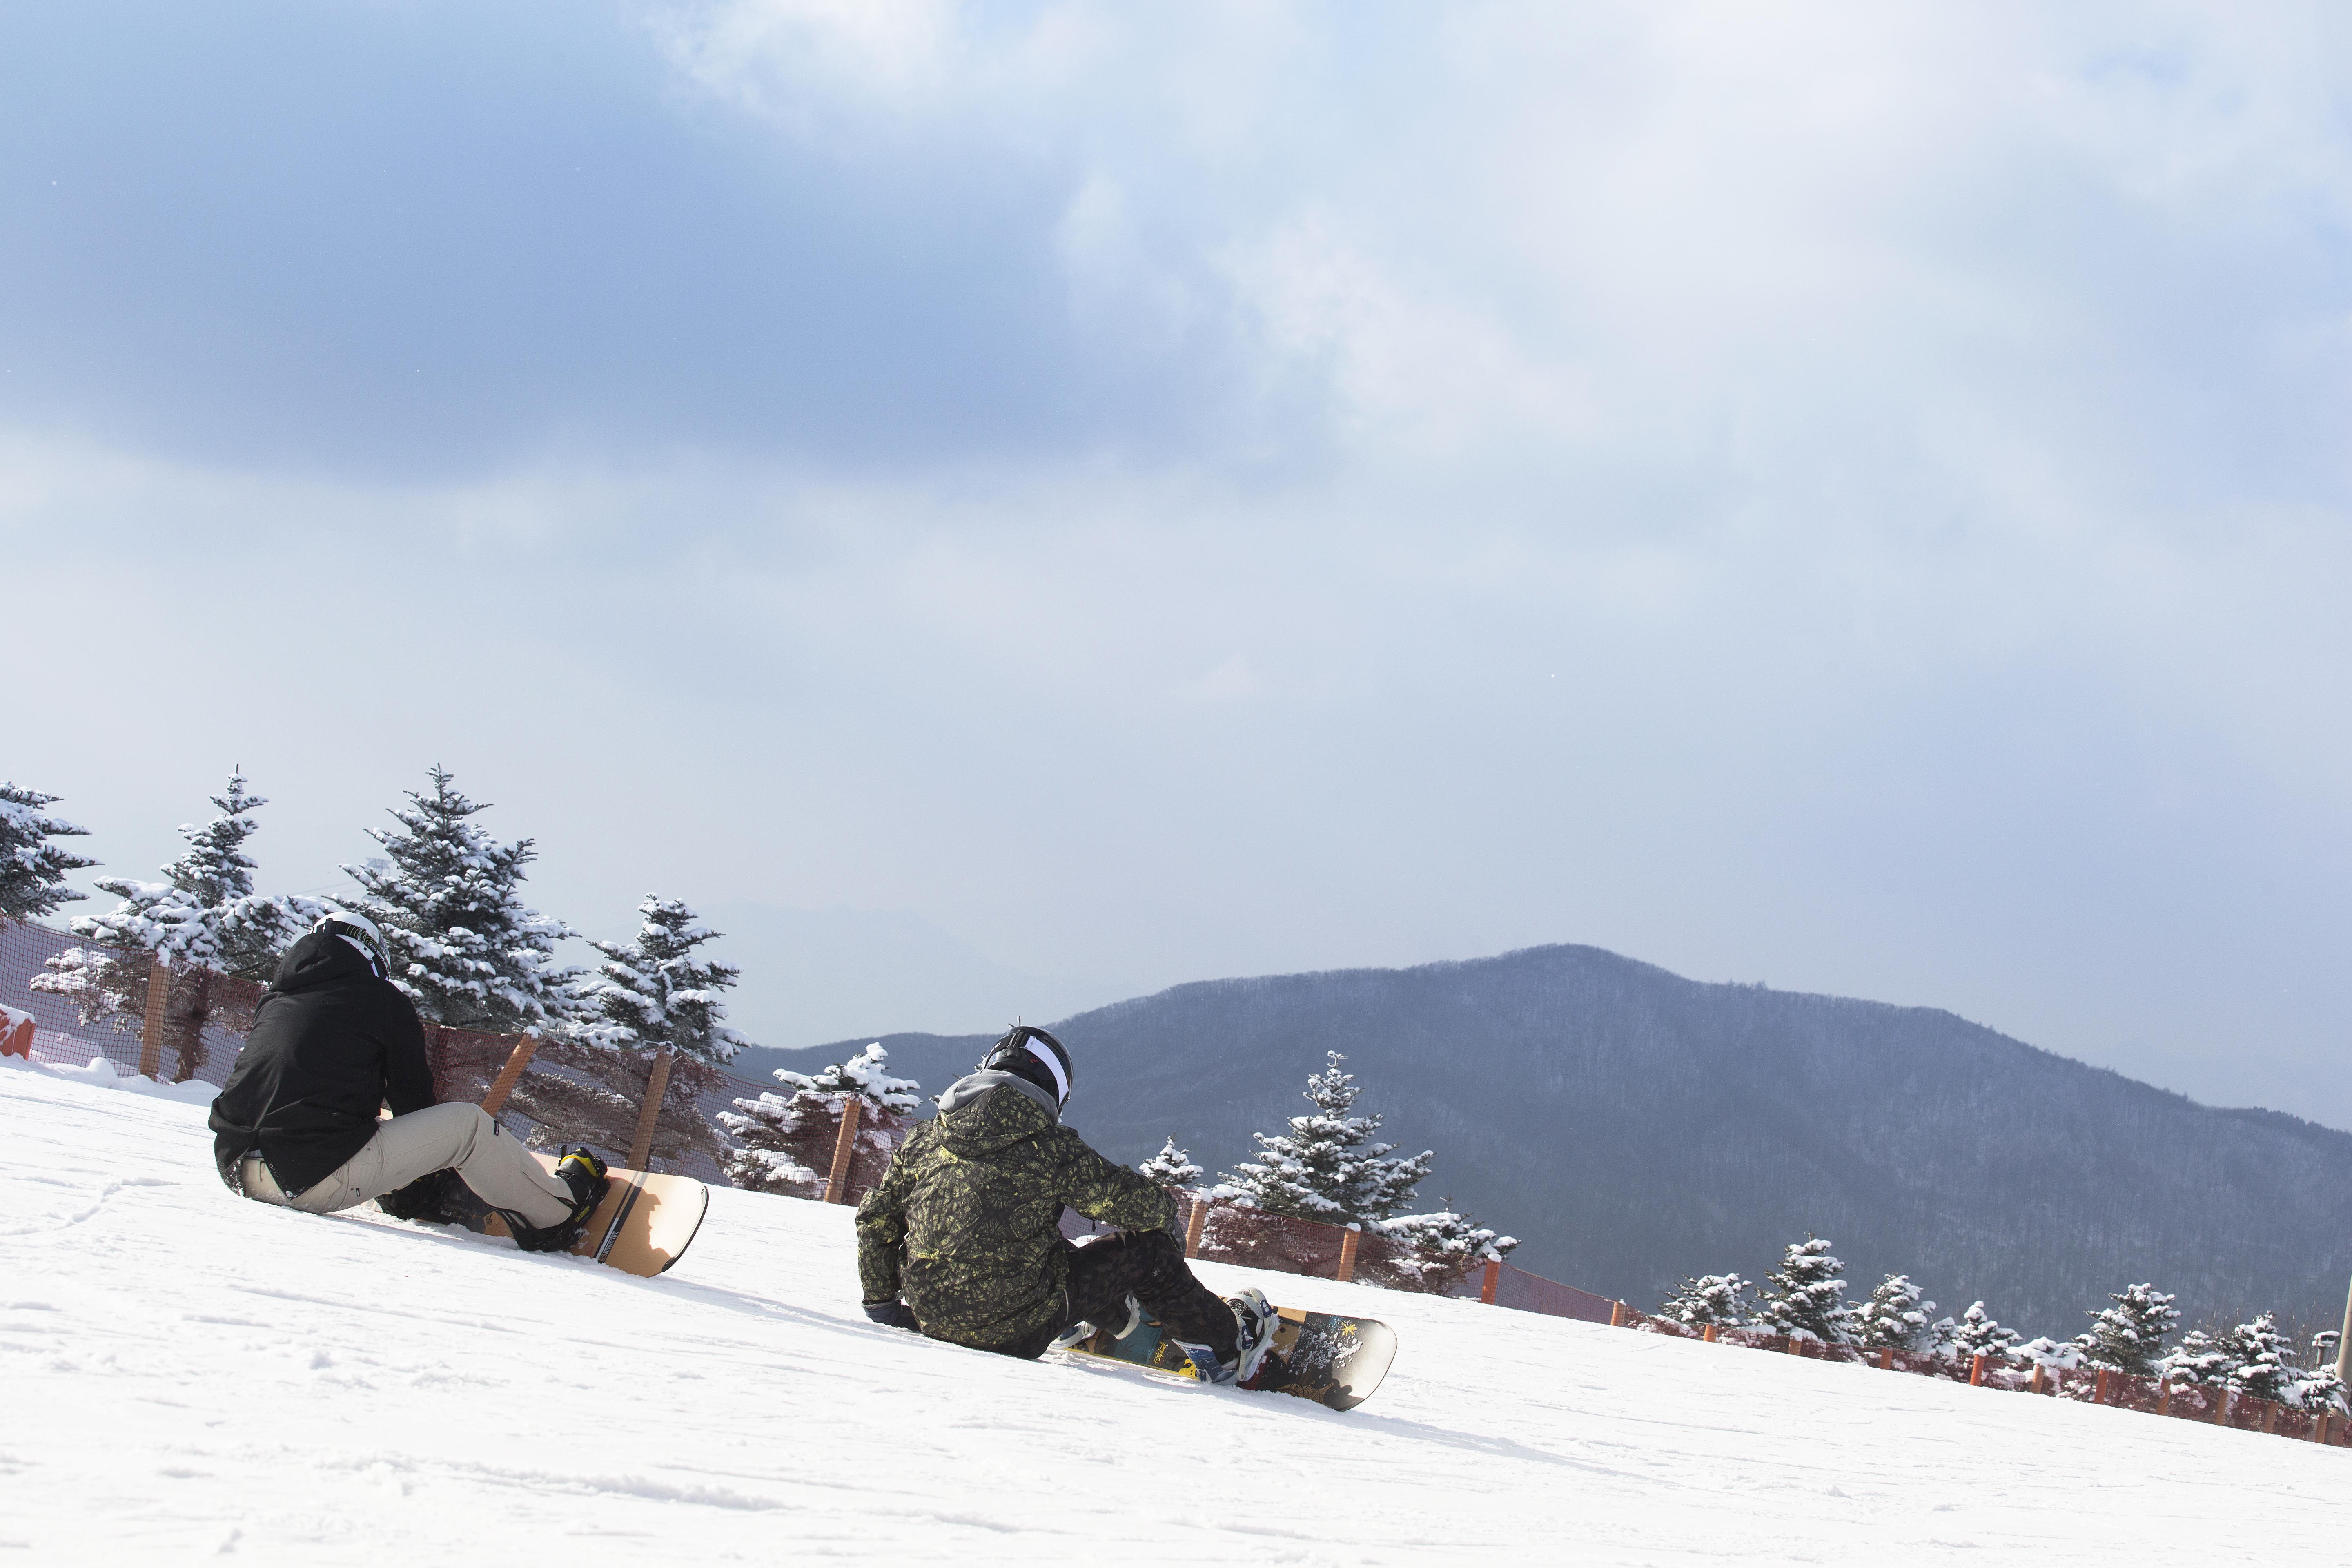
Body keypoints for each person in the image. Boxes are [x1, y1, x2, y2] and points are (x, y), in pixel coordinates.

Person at [855, 1024, 1280, 1384]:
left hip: (931, 1317)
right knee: (1147, 1252)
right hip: (1016, 1329)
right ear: (1053, 1090)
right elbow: (1139, 1207)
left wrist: (883, 1304)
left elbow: (876, 1220)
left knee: (1025, 1237)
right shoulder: (1049, 1148)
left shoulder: (924, 1139)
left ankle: (1107, 1318)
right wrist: (1163, 1211)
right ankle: (1226, 1347)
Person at [207, 910, 608, 1249]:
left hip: (238, 1170)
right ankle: (556, 1213)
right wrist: (425, 1176)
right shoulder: (380, 1000)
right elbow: (412, 1101)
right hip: (308, 1180)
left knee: (342, 1114)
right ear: (370, 954)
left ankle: (402, 1193)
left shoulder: (276, 1001)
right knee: (467, 1126)